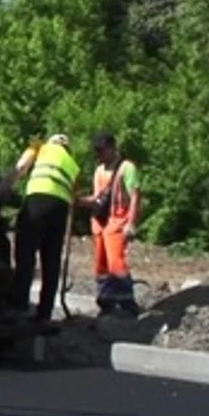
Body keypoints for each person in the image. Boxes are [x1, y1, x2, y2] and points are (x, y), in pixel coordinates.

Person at [3, 132, 80, 322]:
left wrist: (3, 188)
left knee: (26, 252)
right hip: (60, 208)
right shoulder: (73, 164)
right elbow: (74, 196)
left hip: (37, 202)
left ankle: (19, 304)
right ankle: (44, 313)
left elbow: (21, 167)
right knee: (51, 260)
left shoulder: (39, 147)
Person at [80, 132, 142, 317]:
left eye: (102, 150)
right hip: (100, 223)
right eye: (97, 151)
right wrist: (78, 201)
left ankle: (127, 302)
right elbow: (98, 198)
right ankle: (107, 301)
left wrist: (131, 223)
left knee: (116, 264)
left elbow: (135, 196)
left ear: (113, 148)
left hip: (117, 222)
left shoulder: (127, 168)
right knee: (101, 266)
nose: (99, 155)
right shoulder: (99, 170)